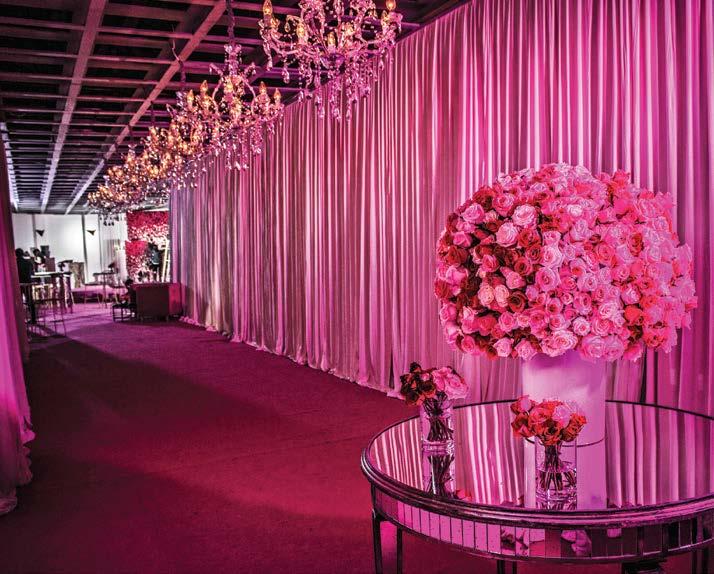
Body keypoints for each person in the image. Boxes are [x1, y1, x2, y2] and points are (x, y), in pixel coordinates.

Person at [15, 249, 36, 323]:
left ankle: (20, 319)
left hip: (18, 283)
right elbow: (32, 272)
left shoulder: (15, 263)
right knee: (30, 300)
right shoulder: (28, 262)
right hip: (27, 282)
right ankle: (33, 318)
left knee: (18, 301)